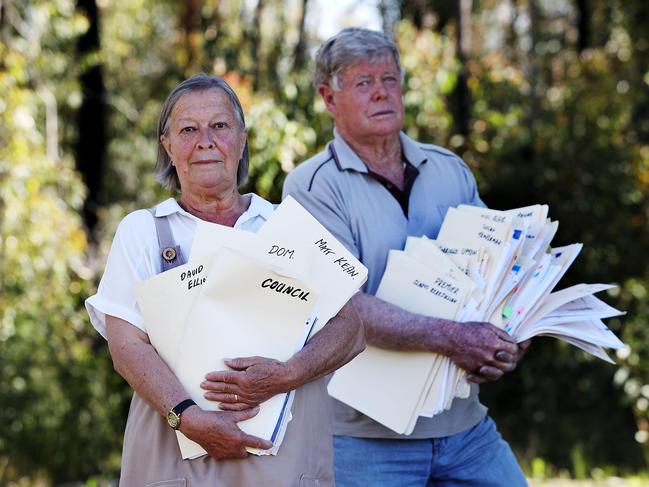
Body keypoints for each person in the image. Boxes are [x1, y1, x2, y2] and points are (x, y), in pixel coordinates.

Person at [85, 73, 365, 487]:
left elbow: (352, 329)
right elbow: (126, 347)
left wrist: (287, 374)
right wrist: (189, 417)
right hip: (175, 457)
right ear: (167, 146)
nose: (205, 141)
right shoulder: (143, 231)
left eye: (219, 126)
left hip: (283, 462)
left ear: (242, 138)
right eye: (188, 129)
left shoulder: (288, 226)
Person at [283, 28, 530, 486]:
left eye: (390, 79)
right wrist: (454, 337)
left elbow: (497, 272)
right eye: (362, 83)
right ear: (328, 97)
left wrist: (511, 335)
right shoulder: (310, 187)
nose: (381, 92)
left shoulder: (449, 169)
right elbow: (346, 306)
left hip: (464, 428)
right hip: (362, 439)